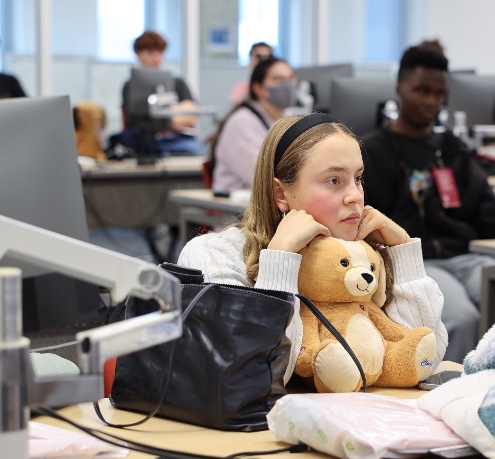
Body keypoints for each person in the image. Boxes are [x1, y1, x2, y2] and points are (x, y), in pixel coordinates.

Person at [178, 112, 448, 384]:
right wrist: (280, 259)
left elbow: (424, 359)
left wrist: (403, 253)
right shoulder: (214, 254)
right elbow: (250, 375)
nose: (355, 195)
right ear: (281, 194)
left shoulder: (362, 257)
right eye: (334, 180)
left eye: (358, 178)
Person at [360, 43, 495, 362]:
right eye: (421, 90)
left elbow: (490, 216)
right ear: (399, 89)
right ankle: (447, 401)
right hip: (418, 261)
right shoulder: (372, 152)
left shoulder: (452, 150)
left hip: (468, 259)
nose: (430, 101)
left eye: (438, 93)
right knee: (461, 318)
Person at [211, 56, 296, 193]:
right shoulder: (242, 122)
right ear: (258, 88)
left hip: (273, 199)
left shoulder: (289, 117)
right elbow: (261, 176)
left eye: (290, 78)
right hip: (236, 206)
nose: (287, 85)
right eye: (278, 80)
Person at [120, 30, 204, 155]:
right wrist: (175, 114)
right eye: (150, 53)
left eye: (160, 53)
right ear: (138, 54)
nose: (156, 58)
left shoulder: (177, 83)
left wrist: (161, 119)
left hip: (180, 141)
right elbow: (136, 123)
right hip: (145, 143)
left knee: (199, 154)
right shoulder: (130, 86)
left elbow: (191, 114)